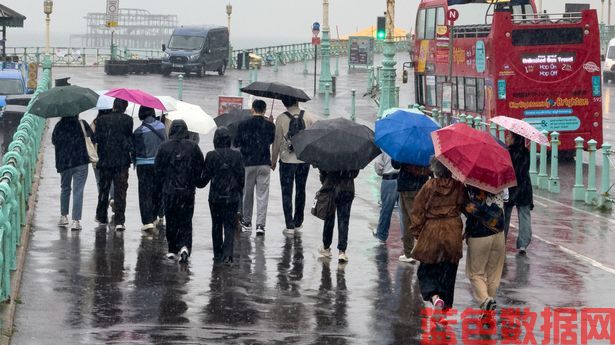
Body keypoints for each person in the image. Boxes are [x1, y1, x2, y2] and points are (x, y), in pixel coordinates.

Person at [410, 158, 465, 315]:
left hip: (432, 233)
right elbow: (465, 206)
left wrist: (417, 232)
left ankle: (434, 297)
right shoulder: (458, 187)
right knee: (449, 271)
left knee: (426, 270)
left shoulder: (429, 186)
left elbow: (417, 210)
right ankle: (445, 308)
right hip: (452, 232)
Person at [154, 120, 206, 263]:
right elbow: (200, 166)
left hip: (169, 191)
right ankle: (185, 246)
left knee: (171, 220)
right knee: (186, 220)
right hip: (188, 191)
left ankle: (172, 248)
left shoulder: (164, 147)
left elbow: (157, 169)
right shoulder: (193, 147)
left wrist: (162, 184)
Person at [271, 97, 315, 234]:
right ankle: (298, 222)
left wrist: (273, 160)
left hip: (286, 160)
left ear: (284, 103)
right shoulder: (308, 117)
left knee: (287, 192)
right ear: (297, 102)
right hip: (303, 160)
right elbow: (313, 138)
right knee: (301, 191)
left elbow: (277, 141)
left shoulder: (280, 118)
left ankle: (289, 225)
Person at [202, 127, 245, 264]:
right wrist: (238, 189)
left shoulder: (211, 155)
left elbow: (205, 178)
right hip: (231, 197)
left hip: (215, 197)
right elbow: (241, 177)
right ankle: (228, 254)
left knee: (216, 225)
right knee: (229, 226)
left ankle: (217, 253)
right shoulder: (237, 156)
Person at [234, 100, 275, 235]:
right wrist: (270, 123)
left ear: (252, 109)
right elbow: (270, 140)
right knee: (262, 195)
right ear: (264, 110)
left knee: (247, 194)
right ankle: (260, 225)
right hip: (264, 162)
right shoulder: (270, 125)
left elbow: (237, 142)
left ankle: (247, 221)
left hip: (248, 163)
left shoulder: (243, 125)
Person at [463, 186, 506, 314]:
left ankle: (485, 300)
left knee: (476, 273)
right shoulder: (499, 185)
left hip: (479, 234)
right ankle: (487, 311)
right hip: (499, 232)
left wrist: (468, 230)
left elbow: (471, 210)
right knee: (494, 276)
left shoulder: (474, 186)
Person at [93, 98, 134, 231]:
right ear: (124, 107)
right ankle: (119, 221)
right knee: (120, 191)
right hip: (122, 162)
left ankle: (102, 217)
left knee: (104, 190)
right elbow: (128, 139)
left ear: (114, 106)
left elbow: (96, 139)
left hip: (105, 161)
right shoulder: (128, 120)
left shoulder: (101, 120)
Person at [51, 115, 92, 231]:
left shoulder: (59, 126)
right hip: (80, 162)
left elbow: (54, 141)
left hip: (65, 163)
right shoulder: (82, 124)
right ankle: (76, 221)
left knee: (65, 188)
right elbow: (92, 138)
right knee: (78, 191)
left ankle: (64, 216)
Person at [133, 106, 167, 232]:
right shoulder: (162, 127)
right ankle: (154, 216)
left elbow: (135, 150)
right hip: (159, 164)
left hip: (143, 165)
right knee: (158, 191)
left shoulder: (138, 131)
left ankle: (147, 221)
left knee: (144, 193)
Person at [391, 160, 431, 263]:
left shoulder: (405, 148)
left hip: (407, 187)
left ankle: (414, 252)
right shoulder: (427, 148)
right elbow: (430, 170)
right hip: (421, 187)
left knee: (410, 221)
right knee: (415, 220)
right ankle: (412, 252)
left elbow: (395, 164)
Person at [317, 169, 359, 262]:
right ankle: (342, 251)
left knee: (329, 218)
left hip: (331, 187)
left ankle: (326, 247)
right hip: (347, 188)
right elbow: (355, 173)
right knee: (344, 220)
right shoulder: (352, 155)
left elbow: (323, 170)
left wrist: (325, 180)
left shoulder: (329, 154)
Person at [504, 132, 533, 255]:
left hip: (510, 186)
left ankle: (501, 240)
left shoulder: (507, 152)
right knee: (524, 215)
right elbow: (524, 169)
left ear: (514, 138)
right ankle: (523, 245)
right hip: (524, 187)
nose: (506, 138)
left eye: (508, 136)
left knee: (505, 215)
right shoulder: (526, 152)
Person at [373, 152, 400, 243]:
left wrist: (383, 172)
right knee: (405, 212)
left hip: (388, 179)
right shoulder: (406, 144)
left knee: (386, 210)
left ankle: (382, 234)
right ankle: (407, 237)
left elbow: (378, 166)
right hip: (403, 179)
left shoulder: (385, 145)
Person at [91, 108, 115, 203]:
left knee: (99, 179)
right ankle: (112, 197)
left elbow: (90, 139)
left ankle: (102, 198)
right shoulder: (112, 121)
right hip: (110, 155)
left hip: (97, 156)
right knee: (111, 178)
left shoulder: (95, 123)